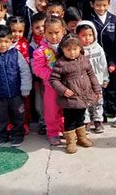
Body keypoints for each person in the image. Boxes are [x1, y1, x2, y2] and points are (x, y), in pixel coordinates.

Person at [0, 25, 32, 147]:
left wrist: (25, 88)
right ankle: (1, 135)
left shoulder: (16, 54)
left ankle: (17, 135)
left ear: (11, 40)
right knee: (0, 117)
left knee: (18, 115)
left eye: (6, 41)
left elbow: (25, 72)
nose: (3, 45)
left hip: (16, 94)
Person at [49, 34, 101, 154]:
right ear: (62, 49)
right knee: (70, 119)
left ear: (80, 48)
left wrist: (97, 90)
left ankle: (81, 138)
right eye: (68, 50)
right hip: (70, 98)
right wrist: (63, 90)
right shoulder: (60, 63)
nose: (72, 53)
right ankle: (71, 141)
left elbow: (91, 75)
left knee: (80, 117)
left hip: (83, 95)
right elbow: (53, 80)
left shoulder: (84, 59)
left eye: (75, 49)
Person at [32, 17, 66, 146]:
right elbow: (38, 69)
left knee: (66, 108)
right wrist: (52, 76)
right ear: (44, 33)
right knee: (51, 110)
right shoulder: (40, 51)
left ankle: (65, 129)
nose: (54, 36)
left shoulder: (68, 46)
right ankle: (52, 132)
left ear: (63, 31)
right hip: (51, 86)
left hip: (67, 85)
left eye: (57, 32)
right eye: (50, 33)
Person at [86, 0, 116, 117]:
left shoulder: (113, 19)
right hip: (94, 59)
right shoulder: (89, 19)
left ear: (109, 4)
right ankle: (99, 112)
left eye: (104, 5)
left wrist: (113, 61)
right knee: (97, 84)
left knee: (110, 84)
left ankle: (111, 108)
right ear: (92, 4)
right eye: (98, 5)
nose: (101, 8)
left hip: (110, 58)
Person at [76, 21, 109, 133]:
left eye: (90, 35)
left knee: (98, 101)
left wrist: (105, 78)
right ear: (78, 36)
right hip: (83, 83)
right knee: (84, 103)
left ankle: (98, 120)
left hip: (97, 81)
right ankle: (86, 122)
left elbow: (103, 64)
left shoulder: (98, 48)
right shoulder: (77, 50)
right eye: (84, 35)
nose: (87, 38)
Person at [7, 16, 31, 133]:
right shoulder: (4, 44)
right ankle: (11, 123)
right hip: (8, 80)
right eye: (13, 31)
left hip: (22, 79)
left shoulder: (25, 44)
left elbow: (27, 64)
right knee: (10, 103)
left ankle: (24, 123)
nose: (17, 34)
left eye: (20, 31)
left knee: (23, 104)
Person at [29, 12, 47, 135]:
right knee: (39, 99)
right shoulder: (32, 45)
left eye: (43, 26)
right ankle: (42, 122)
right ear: (32, 29)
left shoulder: (52, 40)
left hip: (51, 78)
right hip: (38, 78)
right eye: (37, 27)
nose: (41, 30)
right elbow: (32, 63)